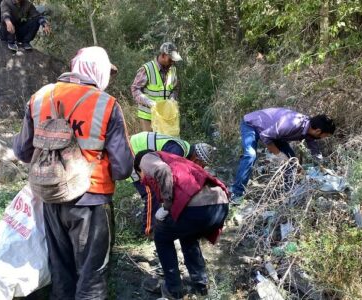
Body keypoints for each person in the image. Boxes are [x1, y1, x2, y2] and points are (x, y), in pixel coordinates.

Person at [12, 47, 133, 299]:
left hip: (51, 198)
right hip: (91, 202)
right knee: (91, 279)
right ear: (97, 71)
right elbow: (123, 168)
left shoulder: (40, 97)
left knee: (62, 274)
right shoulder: (106, 104)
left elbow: (22, 152)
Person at [135, 150, 229, 299]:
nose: (142, 179)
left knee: (161, 236)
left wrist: (166, 206)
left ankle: (174, 289)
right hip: (220, 204)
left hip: (198, 208)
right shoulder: (174, 159)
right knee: (188, 235)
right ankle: (201, 284)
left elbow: (161, 170)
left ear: (139, 168)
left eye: (140, 175)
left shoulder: (145, 159)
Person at [229, 108, 335, 203]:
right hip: (252, 124)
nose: (323, 138)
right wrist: (279, 155)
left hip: (274, 133)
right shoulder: (293, 124)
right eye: (325, 136)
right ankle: (236, 193)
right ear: (318, 131)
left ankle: (288, 194)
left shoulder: (309, 129)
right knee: (250, 155)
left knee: (292, 161)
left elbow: (313, 146)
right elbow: (265, 136)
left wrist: (320, 163)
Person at [129, 131, 215, 236]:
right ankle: (149, 231)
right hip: (131, 152)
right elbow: (164, 175)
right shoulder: (177, 151)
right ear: (196, 159)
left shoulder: (183, 150)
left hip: (140, 153)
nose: (201, 168)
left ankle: (157, 224)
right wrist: (167, 205)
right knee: (151, 193)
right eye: (202, 165)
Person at [131, 42, 181, 132]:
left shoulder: (173, 70)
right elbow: (135, 89)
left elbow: (175, 88)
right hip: (148, 117)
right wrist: (149, 102)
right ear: (162, 55)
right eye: (170, 59)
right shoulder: (147, 69)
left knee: (165, 144)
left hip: (165, 117)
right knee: (151, 145)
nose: (173, 62)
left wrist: (172, 98)